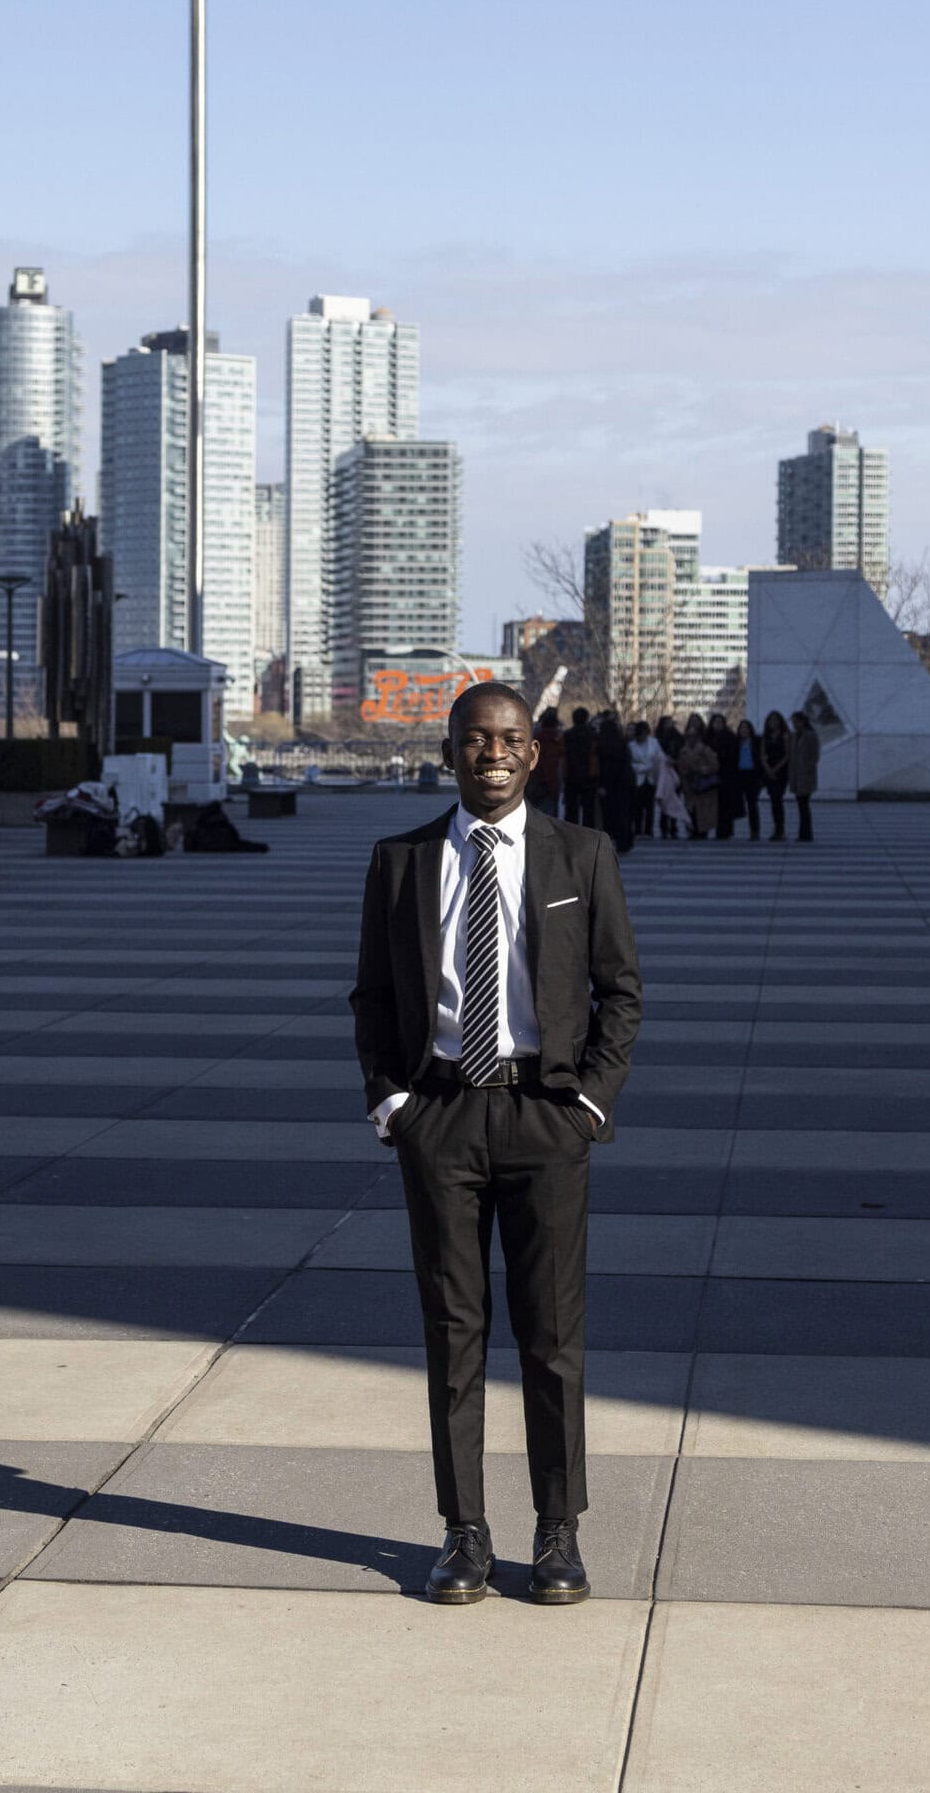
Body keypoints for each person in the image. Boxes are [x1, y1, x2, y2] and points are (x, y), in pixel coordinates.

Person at [350, 681, 643, 1607]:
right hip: (439, 1118)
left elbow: (620, 992)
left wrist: (588, 1105)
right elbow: (371, 998)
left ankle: (557, 1532)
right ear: (449, 752)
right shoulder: (398, 862)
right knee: (453, 1333)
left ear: (534, 752)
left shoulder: (581, 855)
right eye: (475, 739)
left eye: (510, 739)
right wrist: (394, 1103)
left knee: (552, 1337)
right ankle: (463, 1532)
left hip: (542, 1117)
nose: (493, 753)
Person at [596, 712, 635, 851]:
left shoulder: (602, 746)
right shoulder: (622, 744)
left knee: (610, 813)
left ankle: (612, 838)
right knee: (624, 811)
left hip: (609, 784)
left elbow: (603, 768)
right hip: (624, 782)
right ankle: (625, 841)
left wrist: (602, 784)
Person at [676, 719, 718, 838]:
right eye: (689, 736)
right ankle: (691, 830)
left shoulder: (705, 749)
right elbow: (680, 765)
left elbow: (715, 764)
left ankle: (702, 831)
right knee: (689, 808)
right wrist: (684, 771)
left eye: (693, 736)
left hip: (701, 784)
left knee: (703, 810)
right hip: (688, 783)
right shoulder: (683, 750)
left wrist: (704, 769)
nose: (691, 738)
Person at [560, 706, 600, 828]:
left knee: (571, 808)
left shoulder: (567, 735)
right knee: (589, 808)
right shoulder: (593, 735)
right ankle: (588, 833)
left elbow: (562, 755)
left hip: (571, 775)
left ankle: (571, 834)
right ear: (587, 719)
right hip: (589, 776)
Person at [789, 709, 821, 841]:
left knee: (804, 805)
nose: (794, 724)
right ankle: (803, 833)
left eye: (796, 722)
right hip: (797, 775)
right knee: (801, 806)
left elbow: (814, 756)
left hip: (805, 776)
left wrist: (807, 769)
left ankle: (806, 834)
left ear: (803, 722)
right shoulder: (795, 736)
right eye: (793, 722)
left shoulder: (810, 735)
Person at [708, 711, 740, 840]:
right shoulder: (708, 737)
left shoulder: (730, 737)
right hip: (712, 774)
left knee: (726, 804)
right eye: (715, 722)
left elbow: (733, 754)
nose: (718, 725)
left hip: (727, 775)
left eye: (720, 722)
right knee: (715, 805)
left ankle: (726, 830)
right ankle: (718, 829)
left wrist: (719, 756)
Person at [527, 707, 563, 816]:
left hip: (533, 784)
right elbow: (553, 768)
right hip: (550, 787)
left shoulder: (533, 738)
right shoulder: (558, 741)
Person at [760, 711, 791, 841]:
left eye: (775, 720)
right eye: (771, 720)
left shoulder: (785, 735)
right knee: (774, 800)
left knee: (778, 799)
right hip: (769, 771)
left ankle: (780, 829)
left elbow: (787, 754)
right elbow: (762, 754)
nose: (773, 723)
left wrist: (776, 769)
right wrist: (768, 769)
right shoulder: (765, 736)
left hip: (781, 771)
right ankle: (777, 828)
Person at [628, 720, 660, 837]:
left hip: (651, 778)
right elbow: (630, 763)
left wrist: (650, 767)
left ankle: (648, 830)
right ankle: (637, 829)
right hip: (638, 779)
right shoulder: (631, 746)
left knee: (650, 806)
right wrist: (642, 768)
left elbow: (659, 757)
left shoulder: (654, 742)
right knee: (638, 806)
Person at [733, 718, 764, 840]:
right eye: (742, 728)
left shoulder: (756, 741)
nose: (744, 730)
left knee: (752, 804)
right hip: (740, 775)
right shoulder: (736, 742)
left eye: (746, 728)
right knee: (737, 804)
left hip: (753, 775)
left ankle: (754, 831)